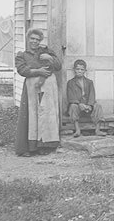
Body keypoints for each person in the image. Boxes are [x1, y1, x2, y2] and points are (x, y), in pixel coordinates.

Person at [15, 28, 62, 157]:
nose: (34, 42)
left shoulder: (46, 51)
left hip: (48, 87)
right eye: (32, 39)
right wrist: (38, 71)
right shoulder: (22, 55)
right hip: (31, 88)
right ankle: (28, 148)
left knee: (46, 115)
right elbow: (22, 70)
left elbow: (58, 66)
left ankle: (44, 145)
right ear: (28, 39)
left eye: (37, 39)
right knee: (32, 116)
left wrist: (50, 58)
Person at [66, 59, 104, 137]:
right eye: (77, 69)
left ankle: (98, 130)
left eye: (82, 69)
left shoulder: (89, 82)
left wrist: (90, 105)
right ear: (74, 70)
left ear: (85, 71)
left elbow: (92, 95)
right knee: (73, 106)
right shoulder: (71, 83)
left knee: (98, 106)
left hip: (88, 107)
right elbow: (71, 97)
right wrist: (79, 104)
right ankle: (77, 130)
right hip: (78, 107)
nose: (79, 71)